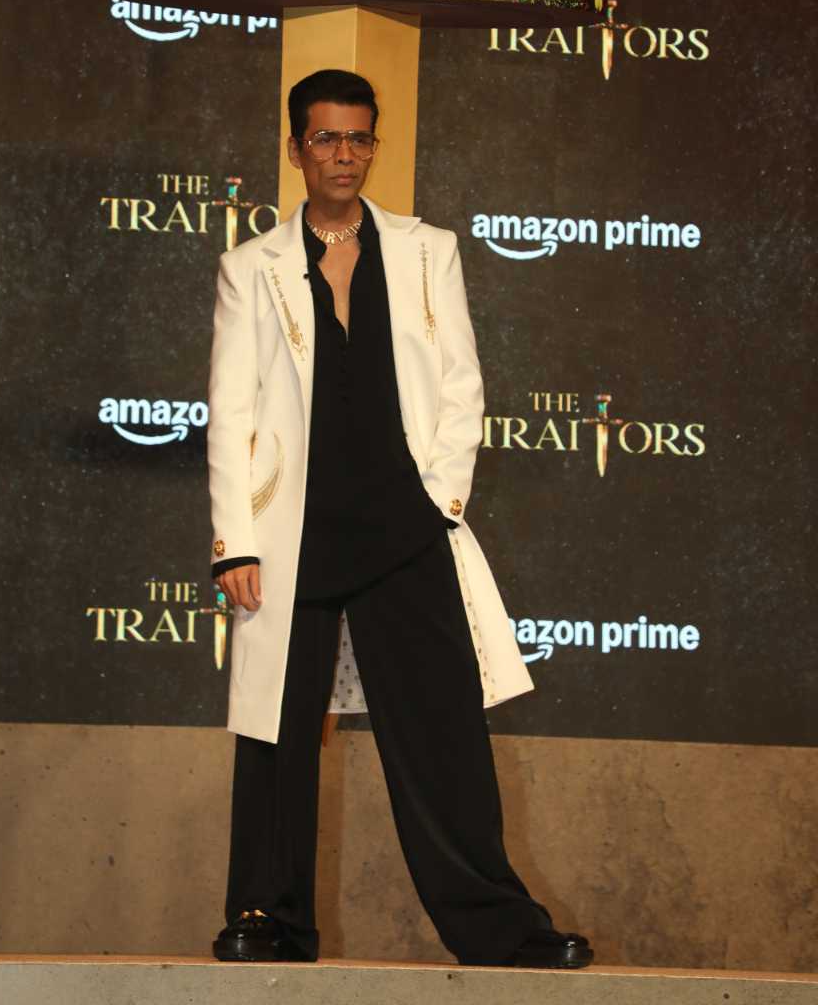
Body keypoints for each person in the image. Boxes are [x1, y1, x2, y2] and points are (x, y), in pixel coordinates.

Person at [207, 68, 592, 970]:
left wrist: (436, 501)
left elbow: (462, 385)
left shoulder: (428, 251)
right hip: (292, 531)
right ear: (296, 148)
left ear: (373, 146)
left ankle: (503, 931)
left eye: (359, 138)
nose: (344, 154)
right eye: (326, 138)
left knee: (443, 733)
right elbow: (231, 412)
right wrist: (235, 543)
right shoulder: (249, 268)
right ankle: (269, 917)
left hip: (405, 523)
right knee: (276, 735)